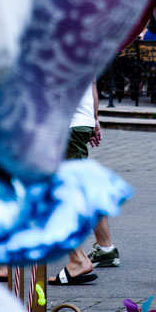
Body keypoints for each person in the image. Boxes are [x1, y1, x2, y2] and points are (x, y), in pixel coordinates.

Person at [49, 82, 104, 286]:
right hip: (80, 123)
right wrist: (94, 119)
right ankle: (80, 256)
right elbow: (93, 86)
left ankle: (79, 260)